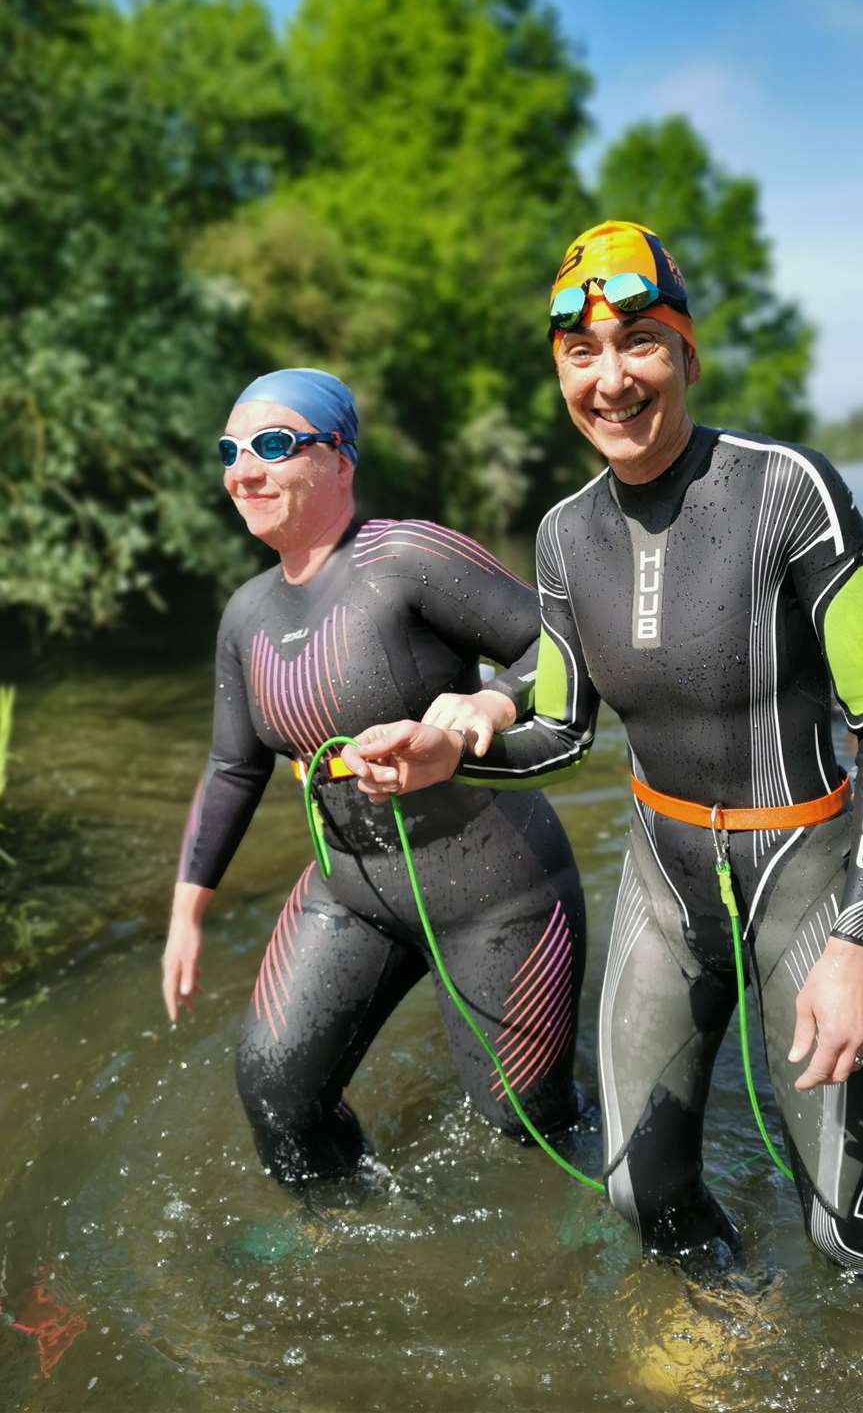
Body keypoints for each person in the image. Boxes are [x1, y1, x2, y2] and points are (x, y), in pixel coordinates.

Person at [342, 222, 863, 1275]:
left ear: (687, 355)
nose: (611, 379)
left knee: (846, 1224)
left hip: (808, 880)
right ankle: (721, 1323)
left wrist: (857, 946)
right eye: (582, 352)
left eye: (640, 342)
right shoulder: (566, 536)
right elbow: (561, 730)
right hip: (667, 880)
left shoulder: (790, 489)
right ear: (559, 372)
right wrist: (449, 754)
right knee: (636, 1187)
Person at [162, 367, 586, 1187]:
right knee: (277, 1093)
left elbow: (557, 642)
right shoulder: (245, 616)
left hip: (498, 890)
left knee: (524, 1128)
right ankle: (348, 1239)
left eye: (275, 444)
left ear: (341, 456)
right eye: (231, 450)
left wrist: (485, 704)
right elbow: (231, 766)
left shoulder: (409, 557)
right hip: (350, 889)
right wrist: (187, 914)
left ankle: (583, 1260)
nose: (244, 470)